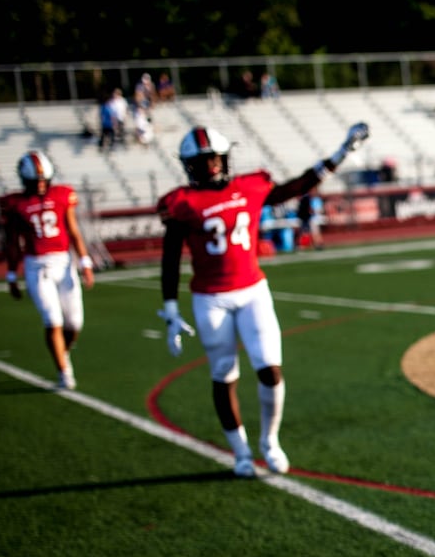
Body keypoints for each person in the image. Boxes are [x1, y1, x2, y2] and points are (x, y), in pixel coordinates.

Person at [157, 121, 370, 477]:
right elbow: (170, 256)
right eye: (201, 163)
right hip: (211, 299)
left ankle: (270, 441)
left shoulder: (250, 187)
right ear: (189, 167)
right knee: (224, 375)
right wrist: (170, 307)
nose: (210, 167)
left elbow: (298, 185)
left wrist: (340, 154)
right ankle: (240, 452)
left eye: (214, 160)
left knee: (270, 369)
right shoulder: (183, 203)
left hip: (252, 289)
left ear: (225, 159)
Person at [0, 151, 96, 389]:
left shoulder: (62, 195)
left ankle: (63, 353)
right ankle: (64, 372)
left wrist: (85, 262)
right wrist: (12, 274)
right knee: (53, 320)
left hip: (64, 263)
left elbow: (73, 230)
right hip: (37, 267)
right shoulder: (15, 204)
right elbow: (13, 242)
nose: (41, 185)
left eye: (44, 180)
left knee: (74, 325)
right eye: (36, 181)